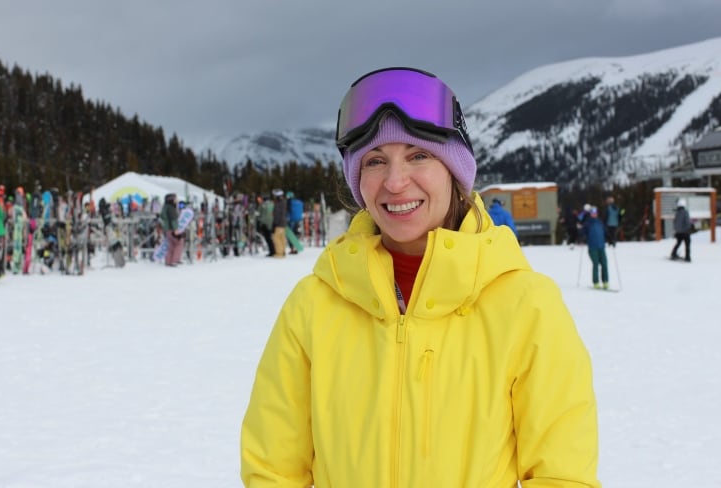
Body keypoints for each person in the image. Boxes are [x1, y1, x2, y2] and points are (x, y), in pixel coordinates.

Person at [241, 67, 600, 487]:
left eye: (419, 156)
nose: (395, 182)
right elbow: (273, 470)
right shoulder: (314, 306)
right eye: (376, 161)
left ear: (455, 171)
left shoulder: (527, 306)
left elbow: (562, 475)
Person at [582, 206, 609, 289]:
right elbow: (582, 232)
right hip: (593, 247)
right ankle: (596, 282)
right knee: (596, 264)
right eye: (592, 213)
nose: (594, 214)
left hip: (601, 246)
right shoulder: (588, 223)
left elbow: (605, 232)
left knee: (604, 264)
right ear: (590, 214)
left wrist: (611, 239)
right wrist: (583, 237)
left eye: (595, 213)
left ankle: (605, 282)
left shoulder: (600, 222)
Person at [159, 193, 183, 266]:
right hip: (172, 228)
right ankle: (175, 259)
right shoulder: (171, 208)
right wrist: (175, 229)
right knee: (179, 243)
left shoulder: (165, 207)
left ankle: (168, 261)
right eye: (175, 199)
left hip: (167, 229)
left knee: (171, 245)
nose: (177, 200)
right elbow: (173, 219)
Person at [671, 198, 692, 262]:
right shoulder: (685, 212)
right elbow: (687, 222)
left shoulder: (677, 213)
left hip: (678, 232)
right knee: (687, 244)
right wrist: (689, 228)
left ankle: (673, 253)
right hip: (685, 232)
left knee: (678, 243)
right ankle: (687, 257)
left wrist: (676, 229)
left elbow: (675, 222)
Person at [271, 189, 287, 258]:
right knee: (282, 237)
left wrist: (275, 223)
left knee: (276, 238)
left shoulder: (278, 204)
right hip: (283, 223)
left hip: (279, 223)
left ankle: (279, 253)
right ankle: (283, 251)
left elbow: (277, 214)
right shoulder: (283, 202)